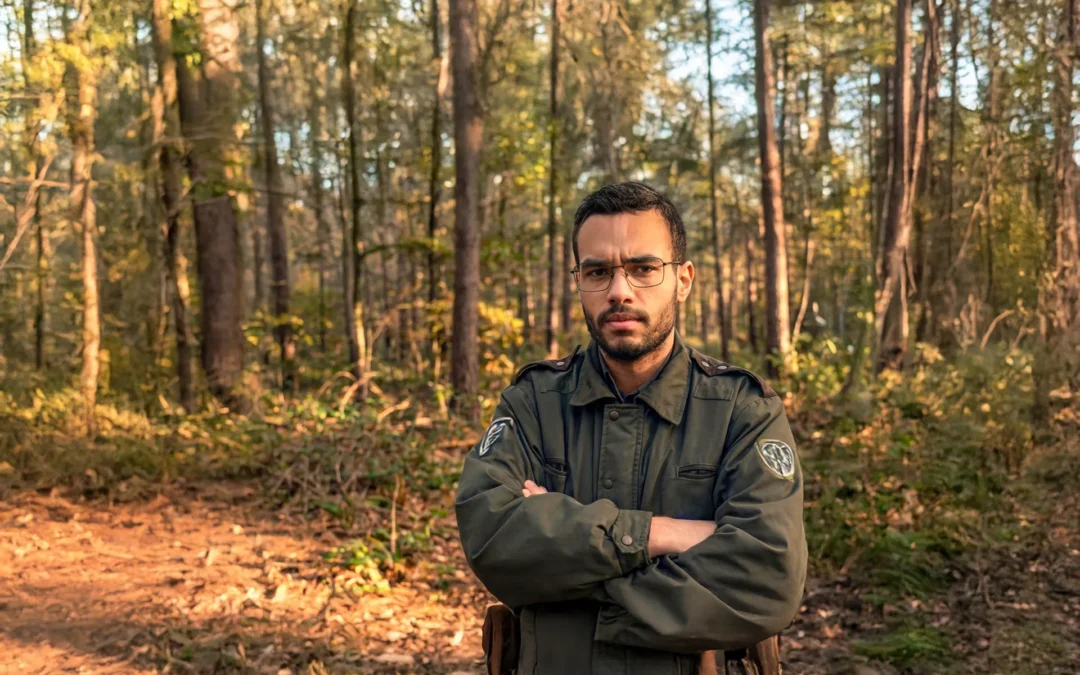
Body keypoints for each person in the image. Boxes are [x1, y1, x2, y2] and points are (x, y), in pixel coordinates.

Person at [455, 182, 807, 674]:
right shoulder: (534, 402)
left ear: (682, 280)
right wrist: (660, 535)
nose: (619, 291)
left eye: (643, 269)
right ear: (578, 280)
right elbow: (491, 537)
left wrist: (570, 572)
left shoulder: (740, 412)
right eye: (598, 271)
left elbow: (767, 579)